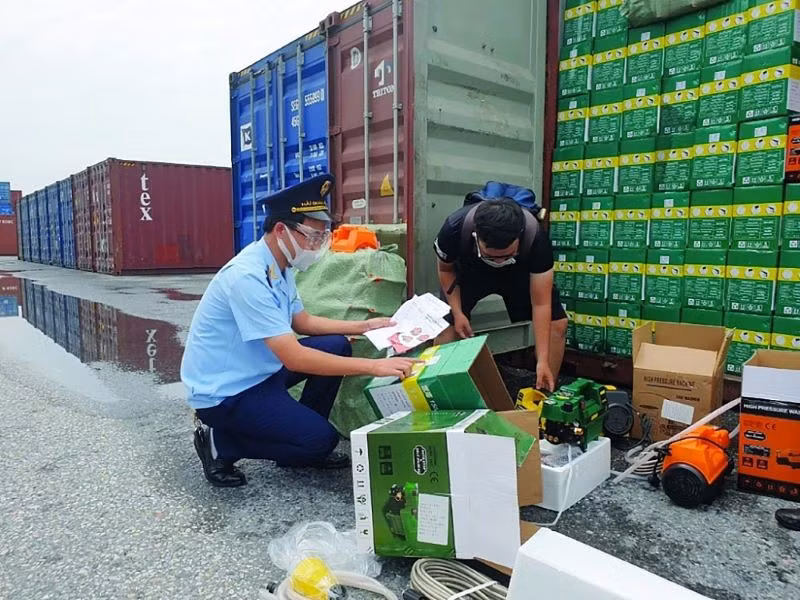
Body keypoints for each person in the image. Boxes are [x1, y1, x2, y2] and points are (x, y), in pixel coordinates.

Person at [180, 174, 417, 488]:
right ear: (281, 230)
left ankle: (294, 436)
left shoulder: (280, 264)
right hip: (226, 393)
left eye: (322, 237)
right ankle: (221, 444)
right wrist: (375, 365)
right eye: (312, 236)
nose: (318, 245)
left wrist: (364, 326)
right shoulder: (247, 277)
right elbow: (294, 357)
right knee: (322, 441)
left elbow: (301, 322)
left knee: (337, 345)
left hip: (259, 373)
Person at [433, 194, 567, 392]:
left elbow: (541, 304)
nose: (498, 261)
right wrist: (458, 313)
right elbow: (446, 270)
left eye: (505, 255)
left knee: (558, 324)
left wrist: (543, 360)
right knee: (447, 326)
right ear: (476, 237)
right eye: (491, 256)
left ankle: (545, 391)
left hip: (517, 273)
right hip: (472, 272)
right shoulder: (454, 228)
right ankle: (438, 391)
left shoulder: (536, 238)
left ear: (519, 237)